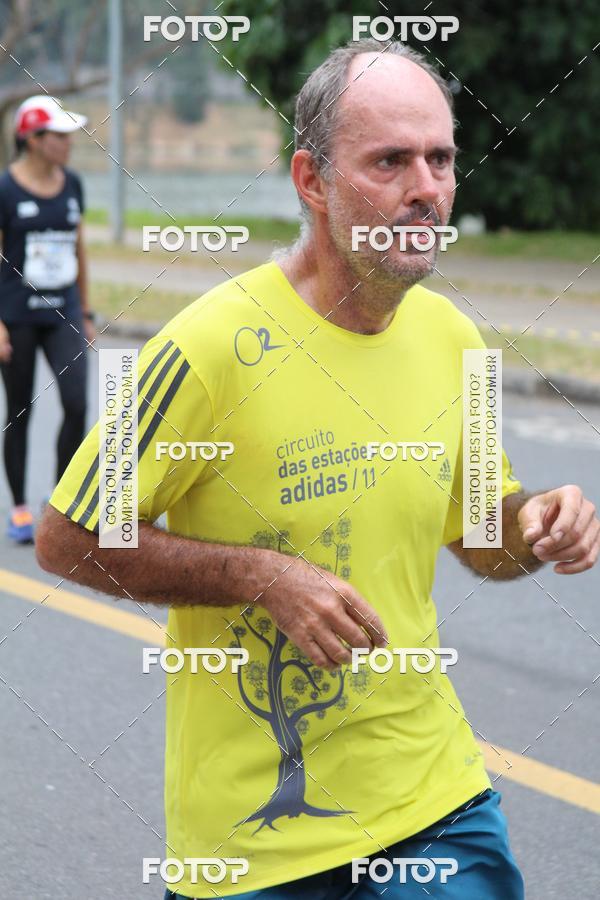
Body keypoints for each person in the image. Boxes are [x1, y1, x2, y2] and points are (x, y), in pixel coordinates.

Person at [36, 39, 599, 899]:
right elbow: (65, 537)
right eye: (391, 161)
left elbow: (484, 540)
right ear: (312, 180)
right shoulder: (208, 346)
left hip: (434, 798)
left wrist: (539, 523)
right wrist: (259, 576)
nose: (428, 188)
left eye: (442, 158)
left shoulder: (457, 337)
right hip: (255, 846)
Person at [0, 94, 94, 543]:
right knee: (19, 411)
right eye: (59, 135)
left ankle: (59, 501)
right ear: (34, 140)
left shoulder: (72, 184)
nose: (69, 143)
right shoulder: (5, 190)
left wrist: (87, 310)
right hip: (15, 314)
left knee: (77, 403)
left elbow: (79, 248)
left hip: (64, 313)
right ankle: (19, 508)